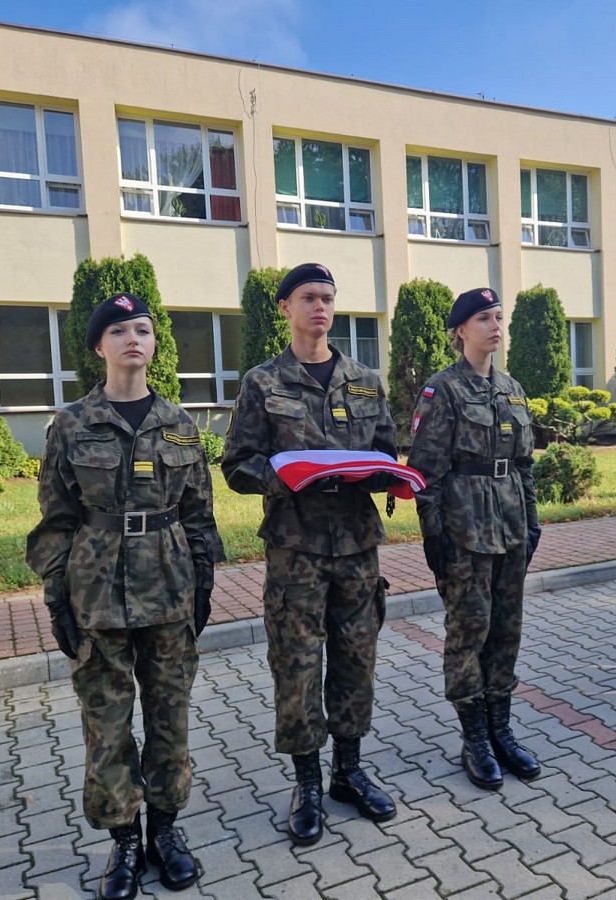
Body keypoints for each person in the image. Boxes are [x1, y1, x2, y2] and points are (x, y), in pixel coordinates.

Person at [27, 293, 224, 900]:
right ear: (99, 347)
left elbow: (199, 512)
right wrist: (56, 596)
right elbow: (56, 519)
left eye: (142, 329)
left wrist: (204, 581)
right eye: (118, 331)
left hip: (169, 586)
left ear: (155, 343)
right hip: (97, 592)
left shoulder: (180, 424)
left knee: (170, 717)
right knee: (107, 725)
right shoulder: (72, 424)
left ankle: (164, 831)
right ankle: (124, 841)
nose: (132, 338)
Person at [220, 262, 399, 846]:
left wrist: (383, 473)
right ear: (286, 308)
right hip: (295, 549)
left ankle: (348, 772)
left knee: (356, 660)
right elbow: (237, 464)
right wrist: (287, 477)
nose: (320, 307)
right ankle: (307, 784)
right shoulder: (263, 383)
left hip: (357, 547)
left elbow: (387, 451)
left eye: (327, 297)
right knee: (297, 667)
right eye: (308, 297)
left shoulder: (365, 380)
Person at [407, 287, 542, 790]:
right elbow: (425, 472)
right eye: (484, 318)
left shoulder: (511, 388)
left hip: (510, 526)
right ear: (461, 330)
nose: (495, 326)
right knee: (469, 633)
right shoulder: (441, 390)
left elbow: (524, 465)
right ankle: (475, 737)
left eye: (499, 317)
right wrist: (434, 536)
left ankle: (501, 728)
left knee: (506, 630)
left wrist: (532, 520)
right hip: (464, 530)